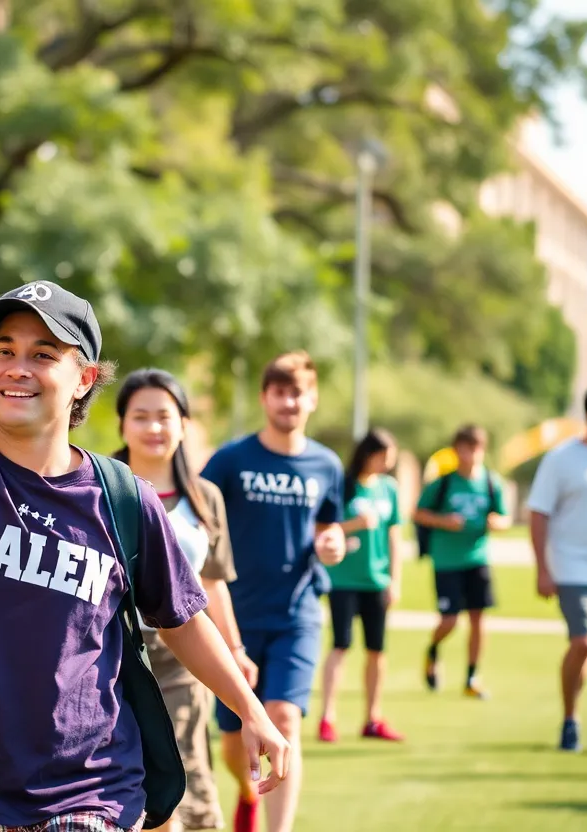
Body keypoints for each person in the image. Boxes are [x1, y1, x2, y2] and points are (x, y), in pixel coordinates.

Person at [0, 200, 289, 832]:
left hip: (83, 796)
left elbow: (181, 616)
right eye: (3, 349)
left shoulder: (123, 498)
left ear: (85, 377)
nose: (16, 368)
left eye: (43, 354)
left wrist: (250, 709)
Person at [199, 350, 346, 832]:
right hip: (233, 617)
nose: (289, 401)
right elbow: (199, 521)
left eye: (298, 392)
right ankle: (248, 795)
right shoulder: (232, 460)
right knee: (231, 736)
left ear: (313, 398)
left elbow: (330, 527)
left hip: (297, 613)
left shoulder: (327, 464)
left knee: (283, 718)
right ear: (265, 398)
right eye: (280, 392)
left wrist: (333, 544)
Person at [113, 368, 242, 832]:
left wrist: (236, 651)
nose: (153, 428)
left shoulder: (204, 498)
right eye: (140, 416)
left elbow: (213, 584)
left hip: (180, 659)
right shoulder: (99, 488)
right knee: (116, 778)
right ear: (122, 425)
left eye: (164, 416)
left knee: (184, 770)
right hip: (110, 656)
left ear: (184, 424)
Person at [527, 383, 587, 754]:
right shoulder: (561, 458)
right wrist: (542, 569)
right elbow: (539, 514)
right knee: (583, 643)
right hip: (573, 569)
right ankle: (570, 719)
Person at [317, 428, 404, 743]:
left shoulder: (389, 489)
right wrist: (354, 524)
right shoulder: (343, 486)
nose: (386, 465)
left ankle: (373, 718)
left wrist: (395, 579)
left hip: (376, 581)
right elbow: (324, 527)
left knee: (377, 651)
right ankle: (327, 718)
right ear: (368, 454)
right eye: (383, 458)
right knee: (340, 646)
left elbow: (395, 536)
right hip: (343, 580)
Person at [414, 424, 509, 700]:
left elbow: (503, 517)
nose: (470, 455)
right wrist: (444, 521)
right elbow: (418, 513)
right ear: (456, 451)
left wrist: (496, 523)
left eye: (475, 449)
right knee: (449, 621)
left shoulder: (491, 483)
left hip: (477, 559)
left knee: (479, 620)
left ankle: (471, 676)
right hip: (447, 560)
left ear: (482, 450)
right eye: (464, 449)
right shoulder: (443, 483)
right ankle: (432, 650)